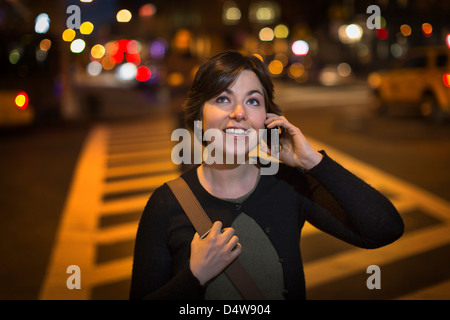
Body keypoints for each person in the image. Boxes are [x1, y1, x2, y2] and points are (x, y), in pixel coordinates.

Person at [129, 50, 404, 300]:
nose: (239, 113)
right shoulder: (166, 204)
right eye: (223, 98)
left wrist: (312, 161)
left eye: (253, 101)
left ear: (267, 119)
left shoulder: (288, 184)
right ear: (199, 116)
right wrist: (194, 276)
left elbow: (384, 229)